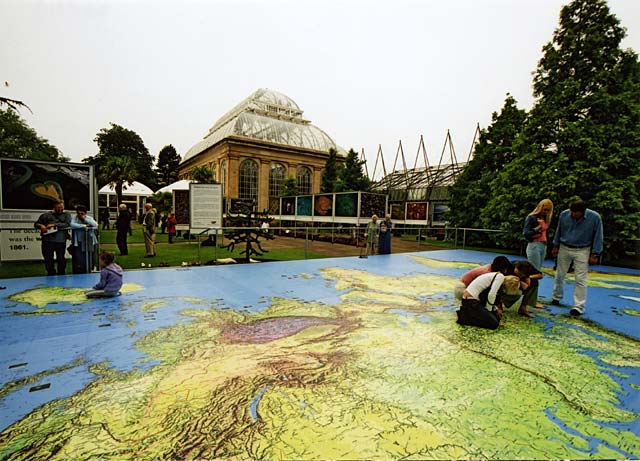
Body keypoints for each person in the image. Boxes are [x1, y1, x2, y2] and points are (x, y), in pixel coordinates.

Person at [551, 200, 603, 316]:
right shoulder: (564, 214)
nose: (572, 214)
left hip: (583, 249)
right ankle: (556, 297)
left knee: (580, 278)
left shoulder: (594, 217)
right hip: (564, 246)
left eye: (575, 212)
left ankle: (578, 306)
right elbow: (559, 230)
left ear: (582, 212)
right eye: (571, 211)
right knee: (559, 274)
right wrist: (555, 245)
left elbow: (598, 235)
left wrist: (595, 254)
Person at [456, 272, 521, 330]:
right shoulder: (500, 277)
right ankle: (463, 317)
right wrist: (489, 311)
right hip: (471, 301)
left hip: (474, 301)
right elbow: (491, 295)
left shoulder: (498, 280)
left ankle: (469, 314)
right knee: (494, 324)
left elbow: (488, 298)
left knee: (496, 318)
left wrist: (495, 309)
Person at [34, 200, 71, 276]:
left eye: (62, 207)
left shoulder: (66, 214)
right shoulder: (46, 215)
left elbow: (67, 224)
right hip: (47, 240)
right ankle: (51, 273)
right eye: (59, 207)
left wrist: (54, 225)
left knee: (60, 258)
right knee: (48, 258)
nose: (61, 209)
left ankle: (61, 273)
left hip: (60, 240)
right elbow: (36, 224)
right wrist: (41, 226)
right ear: (54, 207)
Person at [69, 205, 98, 274]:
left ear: (85, 213)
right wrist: (84, 226)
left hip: (89, 240)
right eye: (78, 213)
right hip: (79, 241)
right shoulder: (74, 218)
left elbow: (95, 225)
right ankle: (79, 270)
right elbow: (72, 225)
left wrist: (85, 219)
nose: (79, 215)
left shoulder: (89, 218)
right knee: (79, 257)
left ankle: (89, 269)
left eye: (82, 213)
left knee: (89, 256)